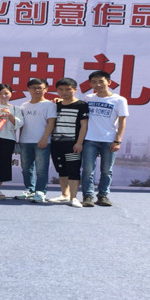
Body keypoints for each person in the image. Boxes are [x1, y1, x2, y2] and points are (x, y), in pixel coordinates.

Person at [81, 70, 129, 207]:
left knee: (107, 170)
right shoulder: (88, 98)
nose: (98, 84)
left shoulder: (119, 100)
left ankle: (103, 196)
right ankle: (88, 196)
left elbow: (122, 121)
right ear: (90, 84)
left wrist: (118, 140)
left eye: (101, 81)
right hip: (90, 139)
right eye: (94, 82)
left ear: (109, 82)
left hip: (109, 140)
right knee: (88, 170)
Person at [49, 78, 89, 208]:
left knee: (73, 170)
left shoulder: (81, 105)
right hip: (56, 143)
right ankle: (64, 195)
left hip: (72, 144)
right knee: (62, 170)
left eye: (68, 89)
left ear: (75, 90)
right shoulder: (55, 105)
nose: (64, 92)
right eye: (60, 90)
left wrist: (79, 143)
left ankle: (74, 197)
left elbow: (84, 126)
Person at [15, 78, 57, 203]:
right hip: (25, 141)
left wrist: (44, 138)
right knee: (26, 168)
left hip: (42, 142)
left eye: (40, 88)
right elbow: (22, 124)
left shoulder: (50, 105)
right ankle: (29, 189)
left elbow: (51, 123)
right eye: (33, 88)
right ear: (28, 89)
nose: (36, 90)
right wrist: (20, 139)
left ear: (46, 89)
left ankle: (40, 192)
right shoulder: (24, 105)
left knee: (41, 169)